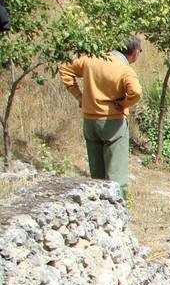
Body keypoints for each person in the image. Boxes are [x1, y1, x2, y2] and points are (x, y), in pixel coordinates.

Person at [59, 35, 143, 189]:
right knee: (116, 179)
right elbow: (136, 92)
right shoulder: (124, 69)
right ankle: (117, 209)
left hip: (90, 122)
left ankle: (97, 207)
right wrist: (124, 103)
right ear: (135, 53)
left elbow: (65, 68)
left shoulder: (91, 59)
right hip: (113, 123)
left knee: (96, 176)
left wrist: (79, 96)